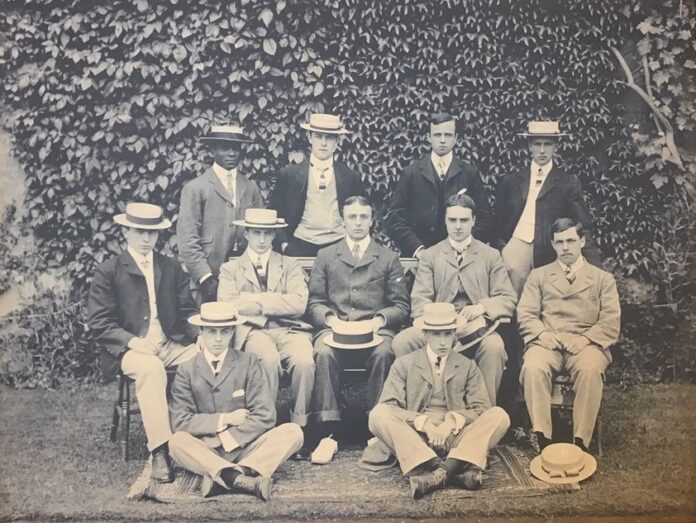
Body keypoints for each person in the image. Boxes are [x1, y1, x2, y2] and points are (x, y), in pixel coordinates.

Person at [88, 202, 199, 482]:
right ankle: (160, 450)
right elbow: (100, 323)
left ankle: (202, 439)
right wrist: (133, 342)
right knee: (151, 369)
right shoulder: (109, 271)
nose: (147, 239)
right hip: (131, 349)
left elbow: (187, 311)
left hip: (170, 343)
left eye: (153, 233)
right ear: (126, 232)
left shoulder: (171, 267)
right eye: (140, 232)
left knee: (204, 359)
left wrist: (204, 339)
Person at [368, 303, 510, 500]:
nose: (443, 342)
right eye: (436, 334)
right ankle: (453, 470)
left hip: (455, 438)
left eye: (448, 334)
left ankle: (436, 474)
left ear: (454, 334)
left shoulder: (467, 366)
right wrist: (425, 424)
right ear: (425, 334)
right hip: (417, 439)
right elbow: (389, 405)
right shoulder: (404, 364)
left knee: (499, 415)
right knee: (378, 414)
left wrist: (452, 422)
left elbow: (481, 408)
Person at [168, 302, 304, 500]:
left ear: (232, 332)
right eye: (212, 332)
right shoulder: (186, 370)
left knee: (293, 432)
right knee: (176, 442)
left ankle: (224, 475)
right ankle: (245, 478)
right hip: (206, 447)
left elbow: (265, 415)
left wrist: (227, 440)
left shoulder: (248, 362)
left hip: (245, 446)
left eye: (224, 332)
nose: (218, 339)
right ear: (202, 332)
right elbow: (180, 421)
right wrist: (225, 419)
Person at [391, 193, 517, 405]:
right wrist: (441, 321)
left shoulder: (490, 255)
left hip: (476, 333)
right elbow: (420, 301)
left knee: (494, 348)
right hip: (437, 329)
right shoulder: (431, 255)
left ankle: (483, 415)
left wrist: (481, 307)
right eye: (452, 220)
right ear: (445, 221)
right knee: (402, 341)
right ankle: (416, 409)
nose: (458, 226)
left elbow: (507, 298)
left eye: (464, 220)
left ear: (474, 221)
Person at [307, 195, 410, 442]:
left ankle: (377, 424)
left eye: (363, 217)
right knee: (323, 352)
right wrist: (331, 320)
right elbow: (314, 304)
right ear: (343, 221)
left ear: (372, 221)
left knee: (385, 353)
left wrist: (378, 321)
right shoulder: (326, 255)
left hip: (375, 331)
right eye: (351, 217)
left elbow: (401, 306)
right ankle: (328, 427)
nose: (357, 223)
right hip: (336, 329)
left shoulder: (387, 257)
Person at [518, 218, 620, 452]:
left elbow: (611, 321)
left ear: (582, 241)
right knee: (533, 367)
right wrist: (542, 334)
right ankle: (542, 438)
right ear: (553, 245)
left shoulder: (602, 279)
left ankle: (580, 442)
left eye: (571, 241)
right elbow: (526, 313)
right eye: (560, 242)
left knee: (590, 369)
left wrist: (584, 339)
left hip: (587, 344)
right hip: (548, 342)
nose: (565, 247)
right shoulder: (539, 276)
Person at [218, 208, 315, 434]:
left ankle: (299, 427)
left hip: (291, 330)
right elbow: (229, 303)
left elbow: (299, 303)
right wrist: (277, 302)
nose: (261, 240)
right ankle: (267, 427)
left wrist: (255, 301)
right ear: (247, 234)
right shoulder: (230, 268)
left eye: (266, 233)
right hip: (253, 333)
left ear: (273, 235)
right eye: (256, 233)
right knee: (268, 360)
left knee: (304, 362)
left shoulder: (290, 264)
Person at [492, 120, 601, 296]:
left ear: (555, 147)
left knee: (547, 295)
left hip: (549, 248)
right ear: (530, 146)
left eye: (547, 144)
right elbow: (498, 220)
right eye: (537, 144)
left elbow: (583, 224)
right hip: (517, 243)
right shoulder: (512, 181)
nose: (542, 151)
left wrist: (594, 265)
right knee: (510, 294)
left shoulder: (567, 182)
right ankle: (512, 323)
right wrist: (501, 247)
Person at [384, 112, 492, 257]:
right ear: (429, 137)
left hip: (461, 256)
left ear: (455, 139)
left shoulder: (469, 173)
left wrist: (464, 246)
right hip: (421, 256)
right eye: (437, 135)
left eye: (447, 135)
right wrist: (418, 249)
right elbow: (395, 219)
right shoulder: (411, 173)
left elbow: (485, 219)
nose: (442, 140)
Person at [177, 125, 264, 303]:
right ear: (213, 150)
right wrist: (205, 277)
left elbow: (261, 232)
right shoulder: (196, 188)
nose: (231, 153)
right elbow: (187, 240)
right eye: (225, 147)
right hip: (208, 279)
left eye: (236, 148)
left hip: (244, 281)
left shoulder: (250, 187)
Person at [268, 113, 366, 256]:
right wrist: (284, 245)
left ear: (337, 141)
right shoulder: (289, 175)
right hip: (299, 245)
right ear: (310, 137)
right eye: (319, 136)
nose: (324, 143)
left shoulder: (350, 177)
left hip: (338, 245)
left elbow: (360, 213)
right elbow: (274, 215)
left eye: (330, 137)